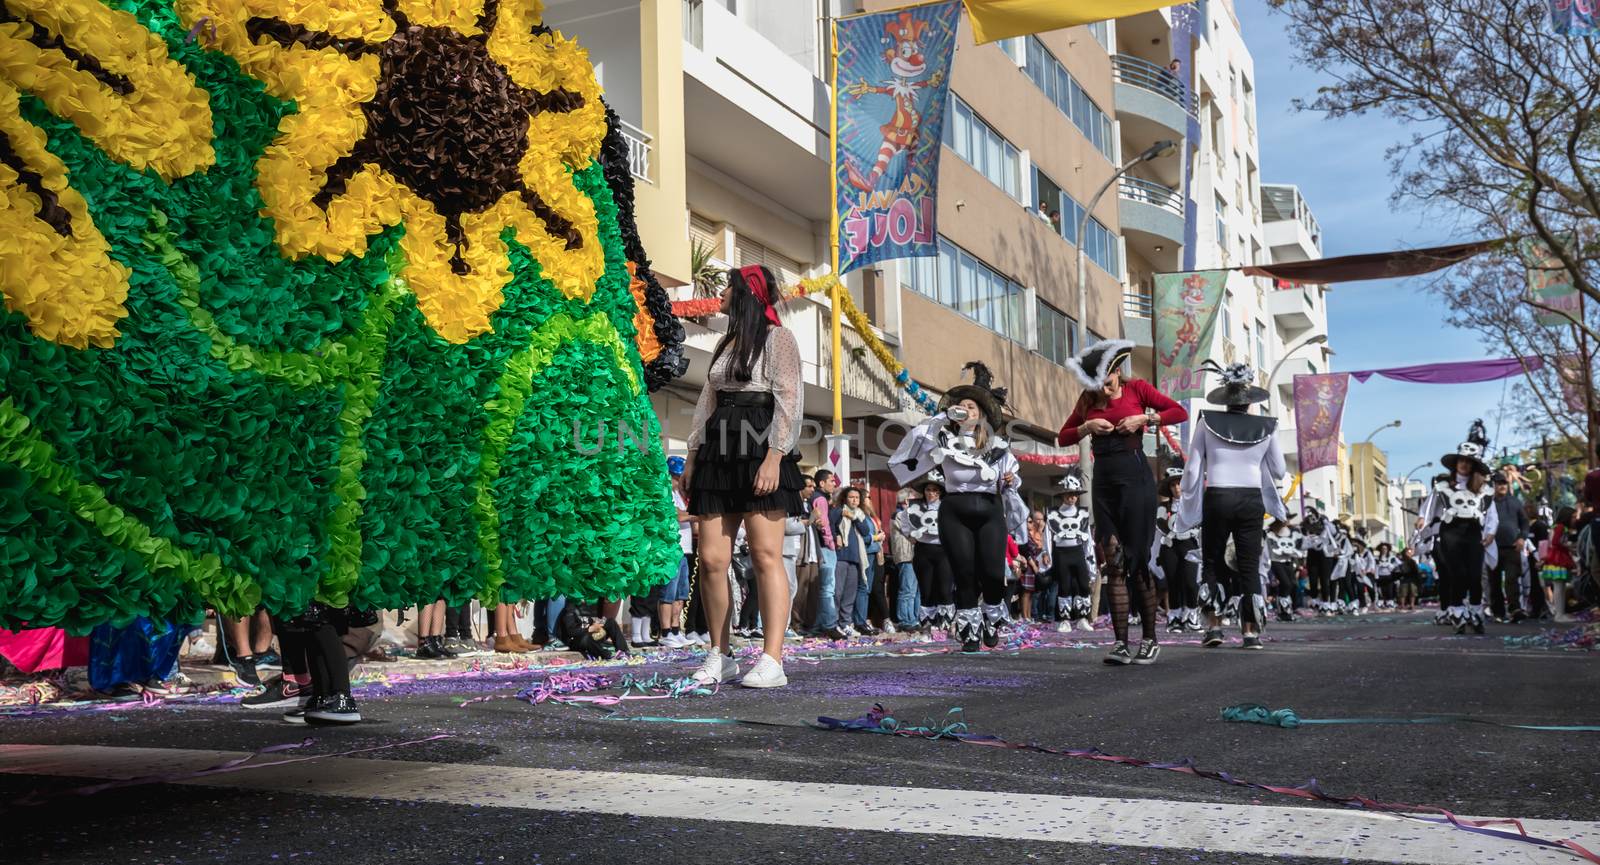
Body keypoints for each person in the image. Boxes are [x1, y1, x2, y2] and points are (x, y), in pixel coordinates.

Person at [683, 264, 806, 689]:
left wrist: (775, 457)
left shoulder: (779, 338)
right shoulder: (725, 343)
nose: (720, 294)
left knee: (765, 556)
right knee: (713, 559)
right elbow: (705, 401)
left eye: (727, 287)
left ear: (745, 293)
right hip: (718, 449)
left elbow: (789, 399)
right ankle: (720, 653)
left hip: (760, 445)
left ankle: (773, 658)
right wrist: (692, 456)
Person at [1058, 339, 1188, 664]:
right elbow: (1063, 436)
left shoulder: (1138, 389)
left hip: (1136, 479)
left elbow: (1179, 412)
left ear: (1117, 371)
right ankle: (1120, 643)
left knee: (1137, 561)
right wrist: (1086, 426)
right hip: (1104, 481)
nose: (1101, 387)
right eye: (1095, 381)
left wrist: (1144, 420)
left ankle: (1149, 638)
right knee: (1113, 564)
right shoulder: (1088, 399)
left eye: (1106, 379)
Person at [890, 361, 1027, 653]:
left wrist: (1011, 479)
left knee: (991, 573)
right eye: (961, 406)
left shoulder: (998, 445)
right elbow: (910, 450)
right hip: (954, 509)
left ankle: (991, 618)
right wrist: (941, 417)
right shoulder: (941, 437)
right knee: (963, 572)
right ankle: (969, 633)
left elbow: (1013, 481)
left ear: (982, 414)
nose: (966, 410)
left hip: (990, 508)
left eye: (972, 407)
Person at [1174, 361, 1285, 651]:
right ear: (1250, 400)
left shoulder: (1206, 422)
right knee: (1249, 566)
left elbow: (1193, 471)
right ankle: (1251, 633)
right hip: (1251, 500)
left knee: (1212, 562)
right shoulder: (1267, 426)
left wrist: (1186, 496)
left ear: (1225, 398)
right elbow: (1280, 471)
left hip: (1218, 497)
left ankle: (1214, 627)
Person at [1419, 421, 1498, 635]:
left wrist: (1490, 533)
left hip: (1473, 532)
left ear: (1473, 465)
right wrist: (1422, 521)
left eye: (1468, 462)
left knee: (1474, 575)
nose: (1464, 465)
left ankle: (1475, 610)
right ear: (1456, 462)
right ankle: (1457, 612)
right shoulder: (1443, 486)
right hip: (1450, 533)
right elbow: (1428, 508)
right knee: (1457, 574)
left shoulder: (1483, 488)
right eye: (1461, 460)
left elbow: (1491, 513)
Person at [897, 471, 952, 634]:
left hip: (943, 551)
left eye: (935, 490)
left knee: (944, 588)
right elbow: (904, 523)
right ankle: (928, 624)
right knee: (926, 589)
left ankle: (946, 624)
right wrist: (911, 536)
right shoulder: (915, 507)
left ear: (940, 492)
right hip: (923, 551)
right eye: (929, 490)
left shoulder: (947, 506)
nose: (932, 493)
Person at [1153, 453, 1201, 634]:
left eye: (1179, 483)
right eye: (1173, 485)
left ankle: (1191, 614)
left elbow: (1199, 525)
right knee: (1173, 581)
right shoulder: (1162, 509)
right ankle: (1174, 616)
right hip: (1170, 547)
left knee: (1190, 581)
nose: (1176, 488)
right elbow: (1161, 527)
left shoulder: (1194, 507)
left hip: (1189, 545)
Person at [1045, 471, 1097, 634]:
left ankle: (1082, 618)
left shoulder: (1082, 514)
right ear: (1063, 495)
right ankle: (1065, 620)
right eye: (1068, 495)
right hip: (1061, 554)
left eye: (1074, 495)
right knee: (1064, 585)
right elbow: (1047, 535)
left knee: (1083, 585)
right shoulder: (1053, 514)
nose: (1071, 498)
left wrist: (1090, 558)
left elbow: (1087, 538)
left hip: (1077, 553)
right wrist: (1047, 553)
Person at [656, 456, 695, 648]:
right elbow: (677, 515)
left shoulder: (679, 494)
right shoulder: (665, 494)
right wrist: (700, 515)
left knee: (681, 595)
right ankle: (665, 632)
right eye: (676, 477)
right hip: (671, 550)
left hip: (685, 550)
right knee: (668, 594)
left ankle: (675, 630)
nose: (679, 481)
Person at [829, 486, 873, 640]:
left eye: (857, 498)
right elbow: (830, 525)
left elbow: (866, 531)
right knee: (837, 592)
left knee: (850, 594)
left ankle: (845, 623)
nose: (854, 500)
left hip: (855, 558)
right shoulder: (838, 510)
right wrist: (836, 536)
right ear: (845, 499)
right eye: (851, 497)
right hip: (841, 556)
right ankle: (833, 623)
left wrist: (854, 517)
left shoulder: (859, 514)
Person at [1488, 471, 1530, 623]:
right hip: (1492, 548)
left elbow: (1525, 522)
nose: (1502, 486)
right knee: (1494, 582)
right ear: (1492, 485)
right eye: (1499, 483)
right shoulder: (1487, 503)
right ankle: (1498, 611)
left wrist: (1522, 538)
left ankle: (1515, 609)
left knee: (1512, 579)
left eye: (1504, 483)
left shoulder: (1515, 502)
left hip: (1512, 546)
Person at [809, 470, 840, 635]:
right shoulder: (820, 499)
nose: (834, 484)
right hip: (824, 547)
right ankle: (829, 625)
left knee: (823, 588)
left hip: (818, 547)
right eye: (831, 480)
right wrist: (831, 543)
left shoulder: (815, 497)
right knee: (828, 587)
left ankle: (819, 624)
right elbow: (824, 524)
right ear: (821, 483)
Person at [889, 488, 922, 631]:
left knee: (916, 591)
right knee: (907, 589)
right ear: (906, 501)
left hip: (915, 556)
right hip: (905, 555)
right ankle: (904, 619)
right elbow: (911, 531)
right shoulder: (899, 515)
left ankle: (914, 618)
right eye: (914, 500)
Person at [1543, 505, 1578, 622]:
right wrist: (1569, 545)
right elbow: (1556, 542)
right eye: (1573, 517)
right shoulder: (1561, 527)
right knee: (1559, 587)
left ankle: (1560, 613)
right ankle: (1559, 614)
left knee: (1559, 587)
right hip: (1558, 560)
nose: (1575, 519)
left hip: (1554, 559)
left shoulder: (1556, 526)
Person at [1016, 510, 1051, 623]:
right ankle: (1025, 616)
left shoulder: (1030, 534)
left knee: (1030, 592)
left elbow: (1040, 546)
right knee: (1026, 592)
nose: (1031, 524)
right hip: (1028, 565)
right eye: (1029, 521)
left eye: (1031, 522)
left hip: (1034, 564)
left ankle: (1029, 615)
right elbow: (1026, 551)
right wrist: (1033, 565)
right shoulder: (1023, 535)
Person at [1267, 520, 1302, 622]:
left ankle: (1286, 611)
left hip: (1288, 560)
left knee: (1291, 584)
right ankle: (1282, 611)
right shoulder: (1270, 533)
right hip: (1275, 560)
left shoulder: (1290, 531)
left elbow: (1297, 543)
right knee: (1286, 584)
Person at [1374, 542, 1401, 611]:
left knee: (1389, 590)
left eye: (1385, 549)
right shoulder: (1377, 558)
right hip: (1380, 577)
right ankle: (1381, 603)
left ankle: (1390, 603)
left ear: (1388, 549)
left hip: (1389, 576)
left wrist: (1392, 566)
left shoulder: (1392, 558)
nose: (1384, 550)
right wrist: (1376, 577)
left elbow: (1399, 564)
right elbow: (1375, 568)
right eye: (1382, 549)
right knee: (1380, 591)